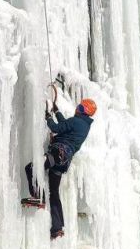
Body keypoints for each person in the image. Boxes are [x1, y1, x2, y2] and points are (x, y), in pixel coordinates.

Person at [23, 98, 97, 240]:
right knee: (54, 192)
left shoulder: (76, 121)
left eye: (80, 107)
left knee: (32, 168)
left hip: (58, 154)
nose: (77, 109)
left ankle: (38, 197)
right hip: (63, 161)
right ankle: (57, 228)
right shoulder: (84, 125)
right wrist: (56, 112)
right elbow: (65, 125)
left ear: (83, 111)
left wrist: (48, 117)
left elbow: (57, 128)